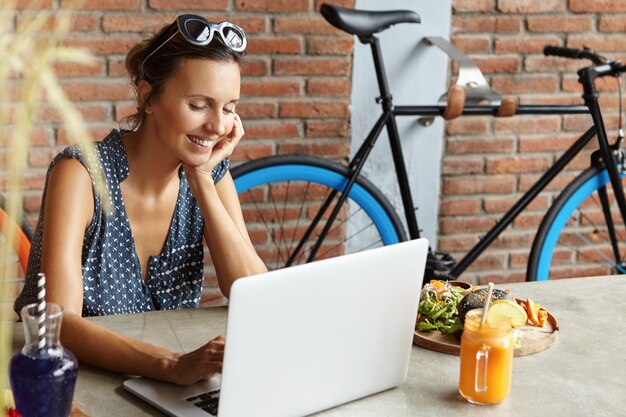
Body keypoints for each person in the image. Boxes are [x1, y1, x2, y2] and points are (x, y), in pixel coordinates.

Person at [14, 14, 267, 385]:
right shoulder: (81, 173)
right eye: (199, 105)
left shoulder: (210, 175)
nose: (217, 126)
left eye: (229, 108)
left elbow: (254, 296)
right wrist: (169, 365)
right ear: (148, 97)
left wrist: (199, 179)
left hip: (167, 381)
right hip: (73, 380)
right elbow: (59, 323)